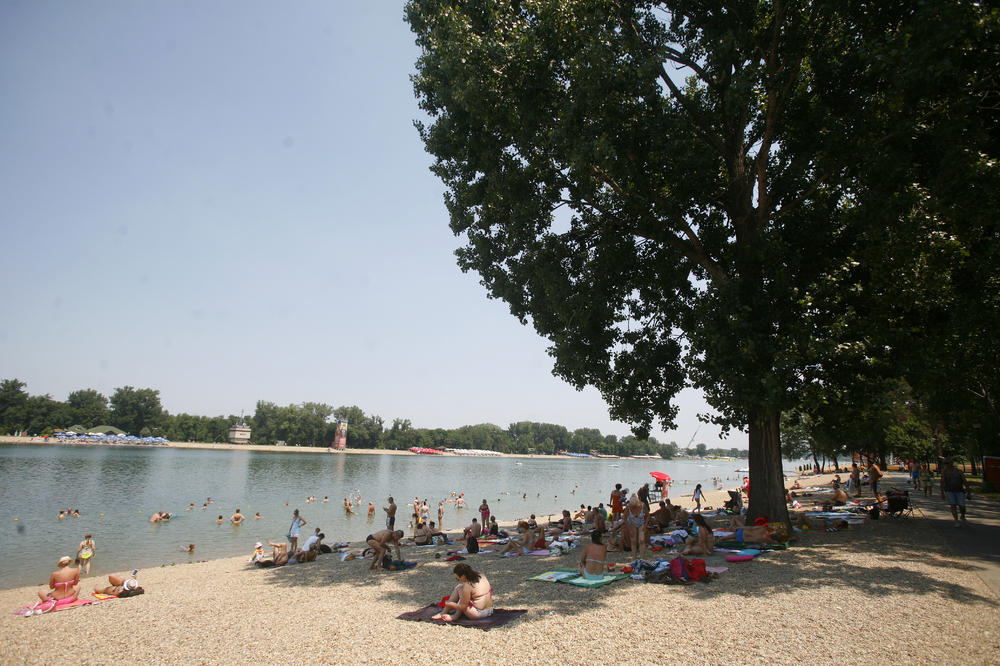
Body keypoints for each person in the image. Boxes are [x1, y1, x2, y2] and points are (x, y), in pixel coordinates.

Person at [940, 458, 970, 527]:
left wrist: (968, 492)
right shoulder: (944, 472)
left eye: (947, 463)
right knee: (953, 505)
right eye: (944, 464)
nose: (945, 465)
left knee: (962, 506)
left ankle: (962, 514)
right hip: (949, 491)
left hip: (959, 491)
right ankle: (956, 520)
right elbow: (942, 482)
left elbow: (965, 482)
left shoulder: (958, 471)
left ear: (951, 463)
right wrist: (942, 493)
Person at [622, 494, 648, 561]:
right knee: (633, 541)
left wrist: (645, 526)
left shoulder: (642, 505)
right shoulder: (628, 507)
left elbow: (648, 516)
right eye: (632, 506)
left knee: (641, 540)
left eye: (634, 506)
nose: (633, 507)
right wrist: (629, 528)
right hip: (632, 524)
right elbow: (624, 518)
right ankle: (634, 558)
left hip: (641, 523)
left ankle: (642, 558)